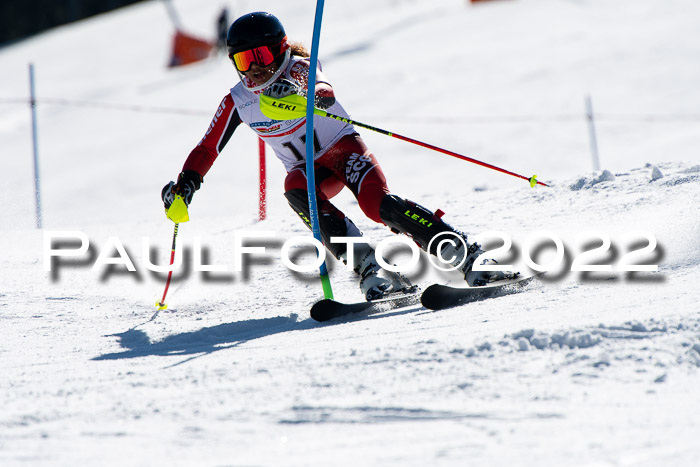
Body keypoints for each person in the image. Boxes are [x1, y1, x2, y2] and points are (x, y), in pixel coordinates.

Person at [162, 11, 515, 300]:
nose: (255, 69)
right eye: (243, 59)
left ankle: (467, 255)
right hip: (309, 172)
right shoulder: (238, 100)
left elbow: (323, 92)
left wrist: (301, 96)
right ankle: (370, 268)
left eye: (262, 57)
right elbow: (207, 147)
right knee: (295, 187)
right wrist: (187, 184)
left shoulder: (298, 68)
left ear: (281, 50)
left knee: (378, 206)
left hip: (343, 153)